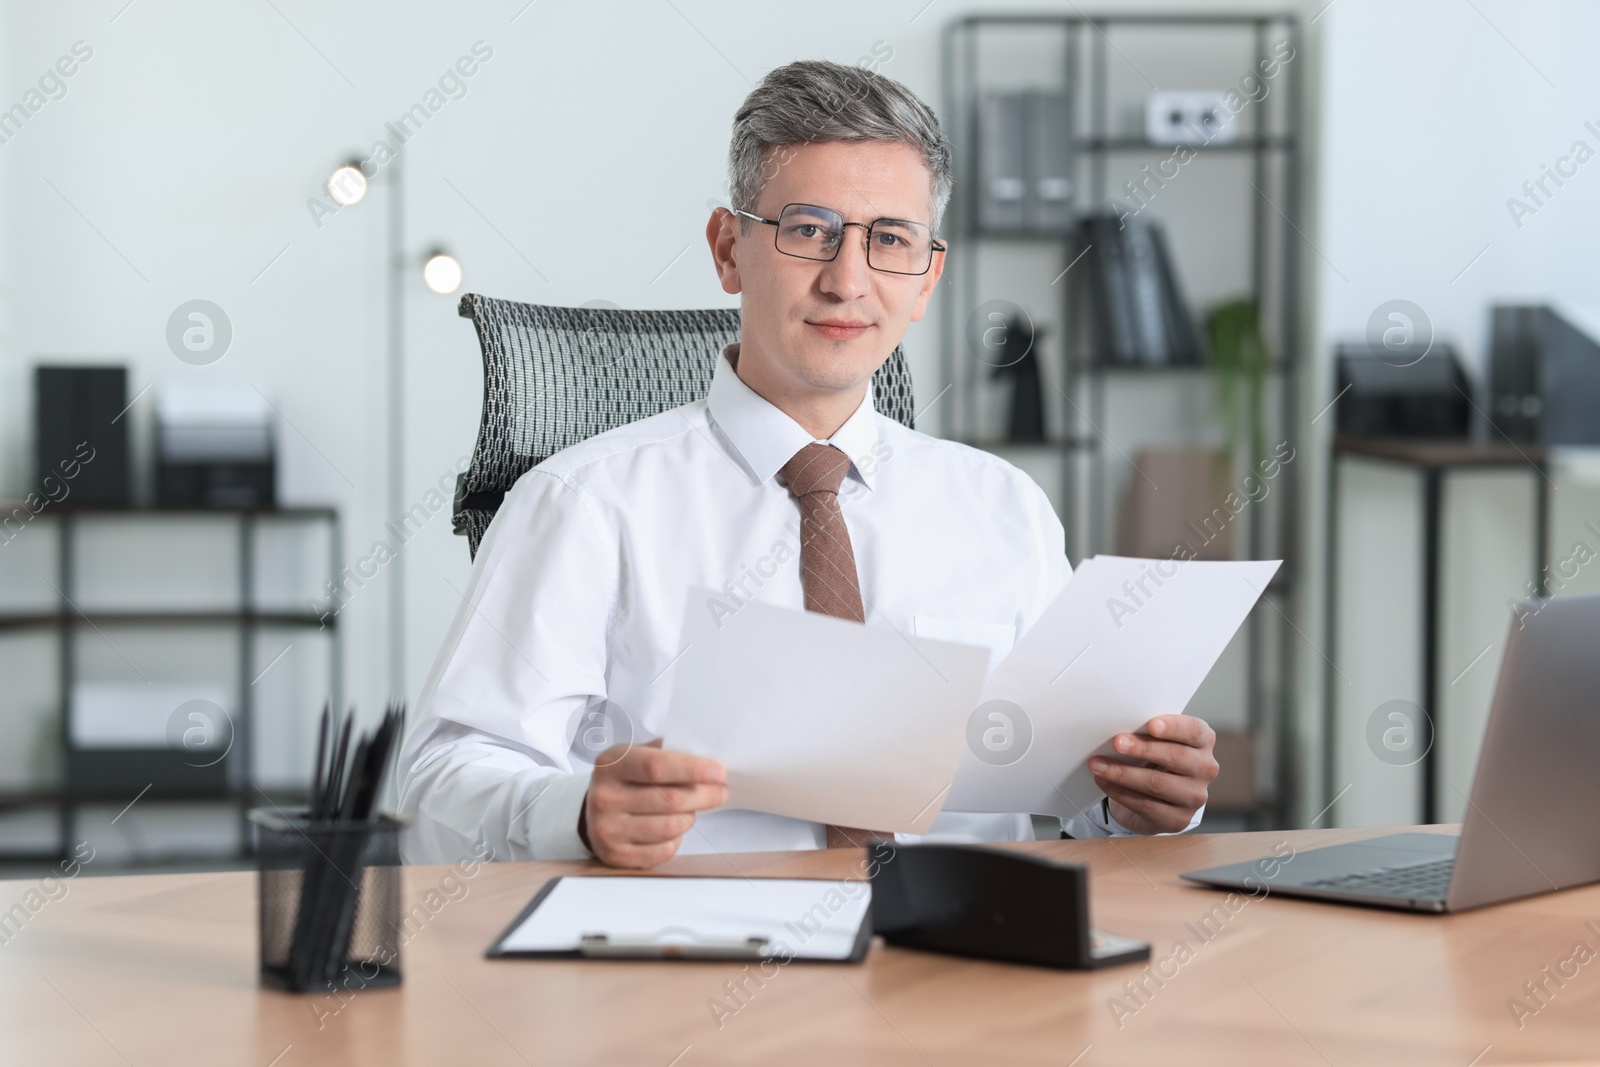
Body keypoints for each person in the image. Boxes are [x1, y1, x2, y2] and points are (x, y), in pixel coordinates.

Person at [397, 59, 1218, 869]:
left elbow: (1079, 804)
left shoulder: (1004, 506)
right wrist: (575, 813)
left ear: (927, 276)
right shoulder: (581, 502)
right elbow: (435, 790)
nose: (847, 279)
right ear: (728, 250)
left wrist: (1136, 802)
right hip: (683, 963)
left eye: (889, 239)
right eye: (808, 230)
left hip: (960, 968)